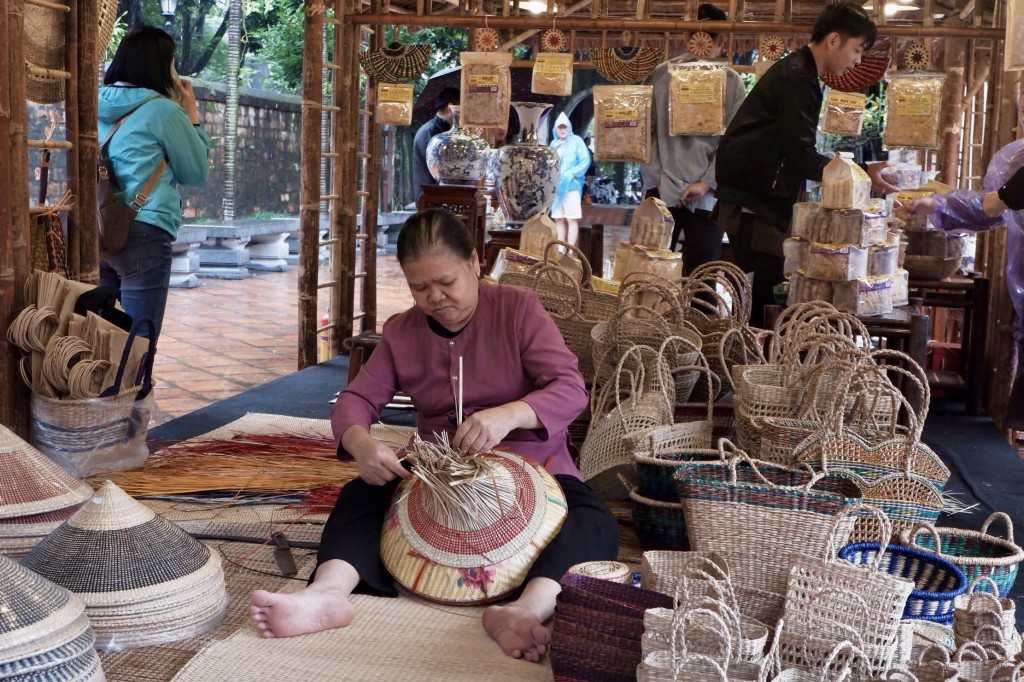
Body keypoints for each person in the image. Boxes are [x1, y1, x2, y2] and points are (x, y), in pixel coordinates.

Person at [250, 208, 619, 662]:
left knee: (593, 521)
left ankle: (525, 609)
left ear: (474, 264)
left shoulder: (518, 310)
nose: (435, 298)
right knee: (362, 496)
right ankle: (327, 594)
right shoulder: (402, 332)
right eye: (419, 288)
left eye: (446, 282)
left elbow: (570, 388)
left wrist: (507, 415)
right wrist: (361, 444)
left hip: (532, 466)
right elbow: (355, 401)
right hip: (438, 471)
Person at [712, 1, 899, 327]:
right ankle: (751, 369)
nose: (857, 60)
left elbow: (798, 153)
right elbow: (800, 157)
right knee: (766, 300)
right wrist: (860, 174)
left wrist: (859, 171)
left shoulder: (799, 73)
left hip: (756, 199)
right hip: (755, 204)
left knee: (763, 295)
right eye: (857, 49)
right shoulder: (797, 78)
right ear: (833, 40)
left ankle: (752, 364)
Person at [98, 25, 211, 344]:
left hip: (97, 228)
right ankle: (133, 393)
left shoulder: (91, 103)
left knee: (96, 334)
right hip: (144, 231)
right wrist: (192, 116)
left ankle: (98, 393)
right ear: (162, 65)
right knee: (138, 341)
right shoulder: (164, 111)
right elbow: (195, 172)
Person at [902, 140, 1024, 426]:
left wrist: (1003, 197)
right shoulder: (1016, 160)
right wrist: (936, 204)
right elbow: (989, 207)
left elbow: (998, 202)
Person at [641, 2, 747, 275]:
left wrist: (658, 181)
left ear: (686, 36)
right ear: (722, 40)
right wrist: (707, 182)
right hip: (705, 196)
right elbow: (736, 143)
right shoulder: (732, 81)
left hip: (666, 191)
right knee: (701, 284)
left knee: (651, 277)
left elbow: (644, 134)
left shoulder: (660, 75)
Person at [548, 112, 592, 246]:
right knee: (558, 218)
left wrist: (573, 174)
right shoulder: (554, 144)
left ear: (569, 127)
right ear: (555, 129)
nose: (562, 130)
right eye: (559, 127)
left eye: (564, 127)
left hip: (571, 186)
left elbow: (585, 161)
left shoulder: (576, 142)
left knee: (572, 218)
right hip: (557, 186)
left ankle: (571, 249)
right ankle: (561, 248)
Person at [412, 87, 460, 201]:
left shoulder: (440, 129)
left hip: (437, 195)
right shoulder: (429, 131)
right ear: (450, 108)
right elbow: (439, 168)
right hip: (430, 196)